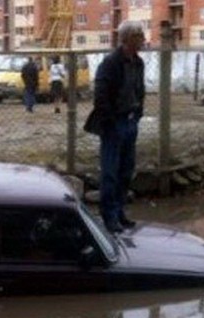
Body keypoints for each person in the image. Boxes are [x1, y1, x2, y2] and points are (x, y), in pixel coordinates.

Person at [83, 20, 146, 234]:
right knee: (110, 172)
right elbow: (100, 95)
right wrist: (110, 122)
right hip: (114, 124)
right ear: (127, 38)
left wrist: (137, 114)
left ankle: (119, 212)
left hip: (130, 122)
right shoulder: (110, 63)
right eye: (139, 35)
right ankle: (108, 216)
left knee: (126, 171)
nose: (143, 39)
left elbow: (140, 90)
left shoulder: (138, 63)